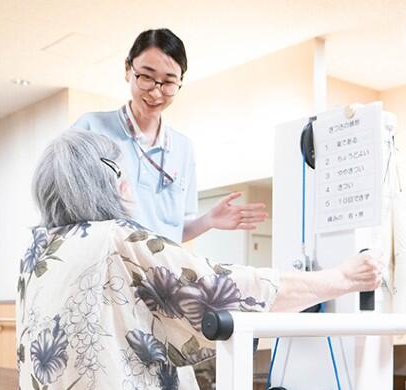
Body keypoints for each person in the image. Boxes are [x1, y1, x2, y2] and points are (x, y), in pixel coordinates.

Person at [17, 130, 382, 390]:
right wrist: (345, 277)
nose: (129, 187)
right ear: (109, 181)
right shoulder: (116, 238)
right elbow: (230, 290)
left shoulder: (36, 255)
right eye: (123, 174)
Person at [72, 28, 268, 244]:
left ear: (180, 82)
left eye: (168, 82)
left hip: (163, 272)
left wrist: (209, 220)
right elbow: (67, 211)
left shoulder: (183, 148)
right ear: (128, 69)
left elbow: (176, 230)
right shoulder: (90, 129)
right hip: (110, 269)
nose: (156, 92)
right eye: (146, 77)